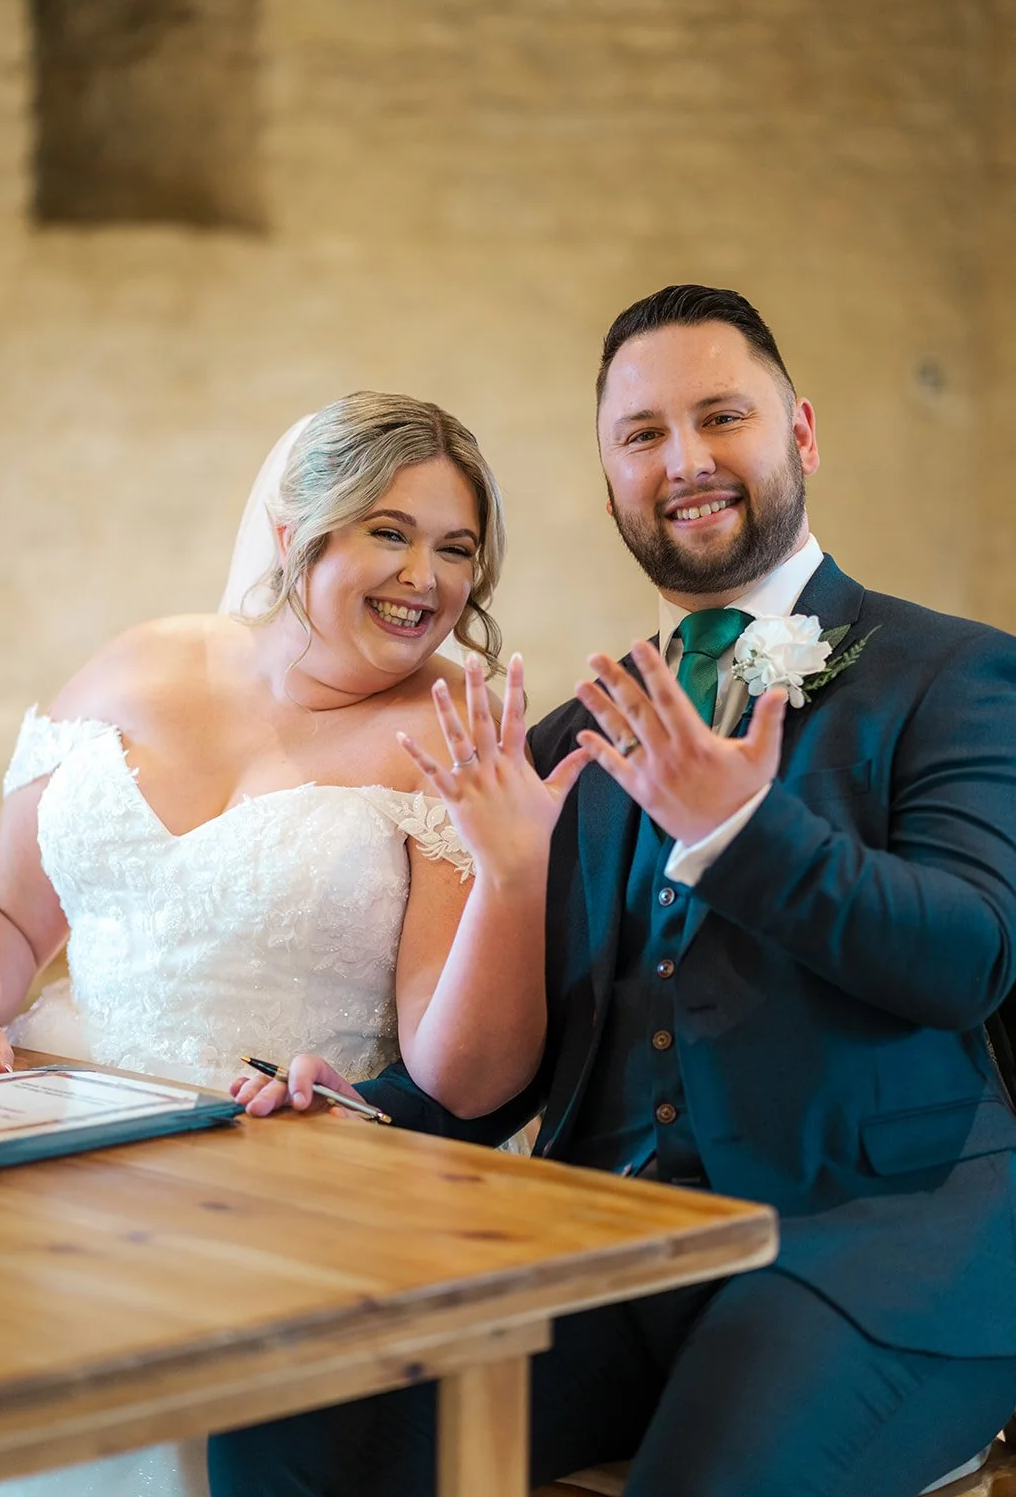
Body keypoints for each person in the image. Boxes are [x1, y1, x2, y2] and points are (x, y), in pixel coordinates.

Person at [209, 288, 1016, 1497]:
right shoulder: (566, 740)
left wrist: (739, 830)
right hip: (606, 1249)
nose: (682, 461)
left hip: (875, 1251)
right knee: (287, 1417)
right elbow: (517, 1056)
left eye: (719, 417)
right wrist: (364, 1109)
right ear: (608, 487)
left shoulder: (950, 673)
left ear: (798, 433)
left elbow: (971, 955)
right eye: (640, 436)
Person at [0, 390, 585, 1497]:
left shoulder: (453, 734)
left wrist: (511, 869)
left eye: (455, 549)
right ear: (295, 532)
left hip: (271, 1182)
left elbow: (468, 1074)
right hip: (52, 1132)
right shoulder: (137, 666)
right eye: (388, 532)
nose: (424, 580)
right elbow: (1, 908)